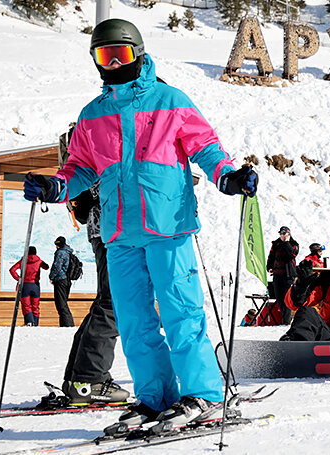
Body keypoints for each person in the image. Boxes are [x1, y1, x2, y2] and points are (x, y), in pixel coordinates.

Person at [23, 18, 257, 431]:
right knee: (133, 322)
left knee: (181, 313)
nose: (113, 64)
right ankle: (155, 397)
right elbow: (78, 168)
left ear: (140, 53)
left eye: (121, 55)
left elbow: (205, 147)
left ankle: (205, 395)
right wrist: (54, 187)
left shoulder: (170, 100)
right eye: (104, 56)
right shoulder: (92, 115)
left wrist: (228, 176)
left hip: (168, 225)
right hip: (119, 233)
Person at [61, 181, 129, 405]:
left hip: (104, 226)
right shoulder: (106, 147)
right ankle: (89, 379)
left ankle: (78, 378)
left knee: (107, 301)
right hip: (114, 225)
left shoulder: (83, 147)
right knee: (113, 302)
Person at [267, 226, 299, 325]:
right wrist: (269, 267)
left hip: (288, 276)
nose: (282, 236)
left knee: (287, 299)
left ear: (289, 234)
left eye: (284, 234)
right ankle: (285, 320)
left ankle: (286, 321)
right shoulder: (276, 244)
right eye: (281, 234)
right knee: (279, 298)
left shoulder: (293, 244)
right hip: (277, 275)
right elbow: (271, 256)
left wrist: (286, 243)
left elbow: (293, 255)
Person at [9, 246, 49, 326]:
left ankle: (29, 321)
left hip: (25, 286)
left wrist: (18, 279)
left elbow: (12, 270)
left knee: (26, 305)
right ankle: (35, 323)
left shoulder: (23, 261)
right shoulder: (39, 261)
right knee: (35, 305)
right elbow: (46, 267)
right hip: (35, 285)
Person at [50, 236, 75, 327]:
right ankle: (65, 324)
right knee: (63, 302)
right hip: (67, 280)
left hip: (60, 280)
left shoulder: (60, 253)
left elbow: (57, 266)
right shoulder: (68, 252)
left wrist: (52, 277)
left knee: (61, 304)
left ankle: (68, 325)